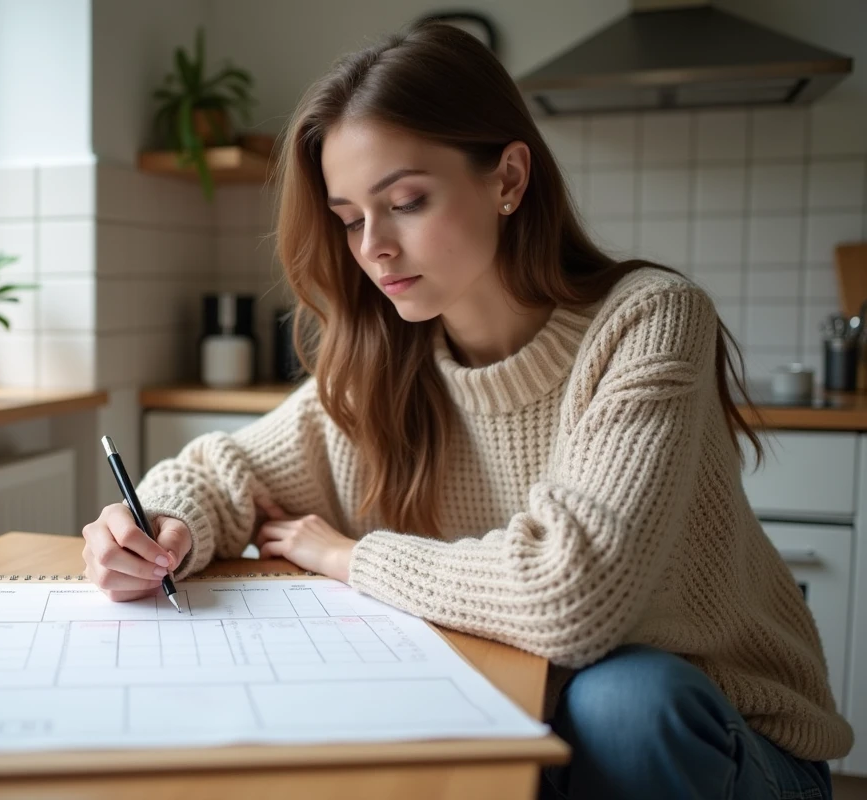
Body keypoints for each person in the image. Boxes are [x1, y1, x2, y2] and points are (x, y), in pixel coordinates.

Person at [80, 21, 852, 800]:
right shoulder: (388, 361)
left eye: (406, 201)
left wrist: (351, 555)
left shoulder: (649, 321)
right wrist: (158, 527)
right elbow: (226, 471)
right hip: (539, 726)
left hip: (732, 742)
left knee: (620, 701)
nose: (373, 246)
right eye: (349, 218)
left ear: (509, 177)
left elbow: (570, 595)